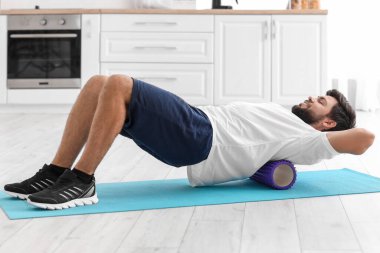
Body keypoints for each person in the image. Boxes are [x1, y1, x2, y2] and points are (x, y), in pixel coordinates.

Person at [3, 75, 375, 210]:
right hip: (197, 122)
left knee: (118, 83)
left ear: (327, 122)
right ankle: (55, 173)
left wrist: (328, 136)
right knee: (99, 84)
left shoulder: (307, 139)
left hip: (202, 137)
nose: (311, 99)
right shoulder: (285, 119)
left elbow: (364, 138)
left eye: (320, 103)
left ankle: (82, 180)